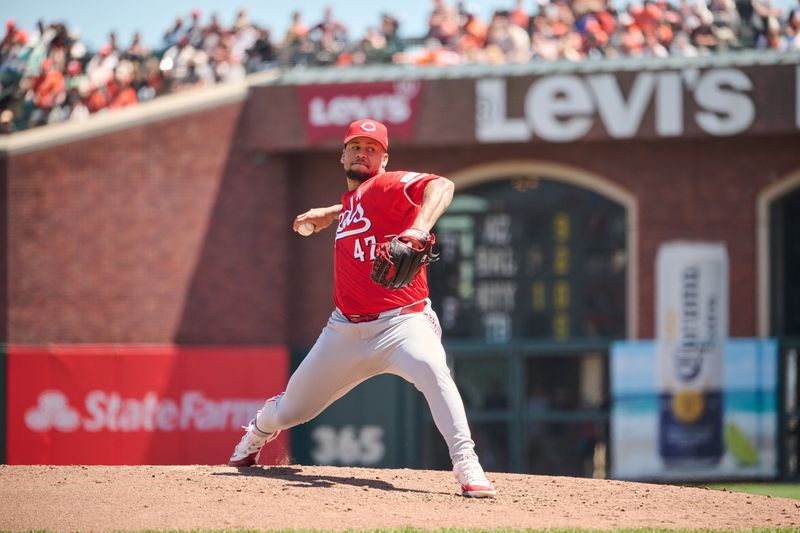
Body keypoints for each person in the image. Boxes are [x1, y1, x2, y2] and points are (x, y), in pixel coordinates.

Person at [228, 118, 497, 499]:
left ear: (384, 161)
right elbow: (358, 204)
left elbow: (442, 185)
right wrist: (331, 211)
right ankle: (257, 431)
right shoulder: (352, 201)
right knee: (292, 410)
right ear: (342, 155)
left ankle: (466, 462)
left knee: (433, 369)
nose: (362, 153)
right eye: (356, 146)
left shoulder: (387, 185)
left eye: (372, 149)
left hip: (402, 323)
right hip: (344, 331)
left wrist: (418, 229)